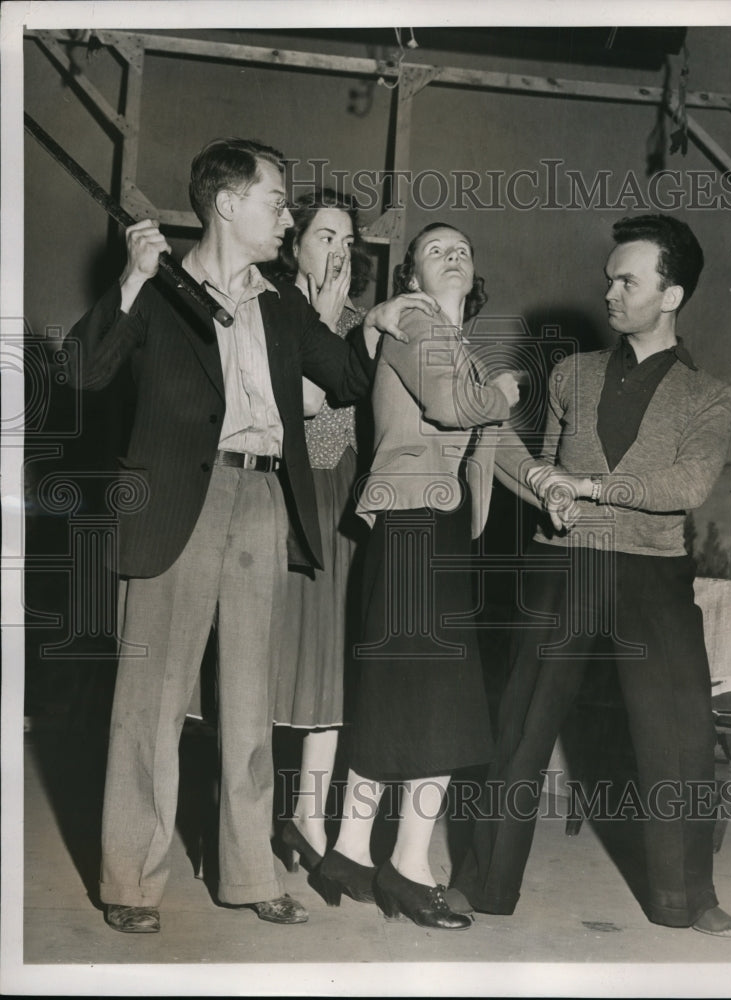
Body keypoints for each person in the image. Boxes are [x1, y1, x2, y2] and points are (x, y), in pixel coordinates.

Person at [63, 138, 437, 933]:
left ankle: (248, 872)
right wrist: (129, 282)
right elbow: (84, 374)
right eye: (277, 200)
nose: (288, 216)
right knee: (150, 705)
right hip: (176, 505)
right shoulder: (157, 293)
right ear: (227, 203)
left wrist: (376, 322)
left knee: (250, 703)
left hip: (265, 500)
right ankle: (130, 881)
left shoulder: (278, 303)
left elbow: (349, 380)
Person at [449, 214, 731, 938]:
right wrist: (553, 491)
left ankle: (686, 898)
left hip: (653, 569)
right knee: (520, 719)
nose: (610, 290)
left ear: (670, 295)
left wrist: (593, 490)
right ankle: (482, 882)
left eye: (627, 279)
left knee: (679, 730)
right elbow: (546, 463)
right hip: (564, 562)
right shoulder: (573, 373)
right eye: (609, 277)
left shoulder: (709, 397)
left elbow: (692, 483)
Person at [312, 222, 547, 930]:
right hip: (417, 522)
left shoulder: (457, 347)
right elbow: (456, 409)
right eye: (436, 249)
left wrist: (548, 485)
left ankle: (349, 851)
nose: (454, 256)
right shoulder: (417, 322)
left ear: (475, 278)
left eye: (465, 250)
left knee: (400, 691)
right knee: (443, 702)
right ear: (411, 277)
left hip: (426, 527)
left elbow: (493, 443)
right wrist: (505, 389)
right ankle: (409, 866)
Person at [268, 190, 371, 869]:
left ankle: (308, 818)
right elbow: (289, 417)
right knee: (263, 664)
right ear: (293, 243)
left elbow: (335, 438)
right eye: (325, 234)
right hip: (271, 494)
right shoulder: (264, 306)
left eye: (347, 238)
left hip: (337, 503)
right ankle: (247, 816)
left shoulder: (364, 323)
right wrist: (325, 327)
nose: (338, 249)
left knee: (328, 664)